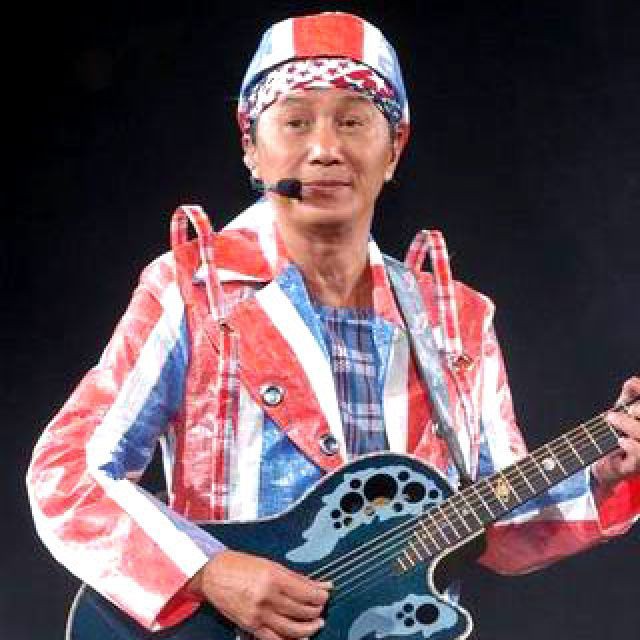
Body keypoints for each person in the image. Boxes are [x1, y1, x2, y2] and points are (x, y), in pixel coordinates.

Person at [27, 11, 640, 640]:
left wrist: (606, 473)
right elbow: (68, 472)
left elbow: (494, 524)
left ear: (394, 148)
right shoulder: (193, 291)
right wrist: (208, 572)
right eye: (296, 122)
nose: (325, 149)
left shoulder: (455, 319)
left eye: (353, 121)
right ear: (251, 146)